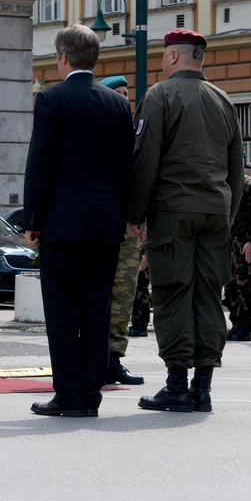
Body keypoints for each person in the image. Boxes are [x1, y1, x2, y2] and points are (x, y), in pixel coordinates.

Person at [128, 28, 243, 413]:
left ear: (173, 57)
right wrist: (227, 216)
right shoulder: (224, 101)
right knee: (209, 296)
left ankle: (177, 384)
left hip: (174, 211)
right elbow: (236, 170)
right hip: (215, 211)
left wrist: (135, 215)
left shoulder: (160, 95)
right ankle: (204, 387)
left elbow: (145, 160)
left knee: (174, 294)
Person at [23, 25, 135, 417]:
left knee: (63, 314)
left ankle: (69, 395)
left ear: (64, 58)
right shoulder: (118, 105)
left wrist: (33, 218)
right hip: (105, 227)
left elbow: (41, 162)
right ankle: (91, 395)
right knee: (96, 311)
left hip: (62, 225)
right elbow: (127, 169)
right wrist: (128, 217)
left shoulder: (52, 100)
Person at [99, 75, 144, 386]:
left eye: (126, 94)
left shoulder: (137, 133)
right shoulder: (96, 132)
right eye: (117, 93)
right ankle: (94, 356)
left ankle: (114, 359)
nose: (124, 100)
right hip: (101, 226)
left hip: (128, 229)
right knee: (97, 296)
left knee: (124, 295)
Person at [227, 166, 251, 341]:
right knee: (231, 287)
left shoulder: (250, 186)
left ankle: (250, 326)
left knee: (246, 287)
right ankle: (237, 324)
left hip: (245, 245)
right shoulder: (225, 183)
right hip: (229, 243)